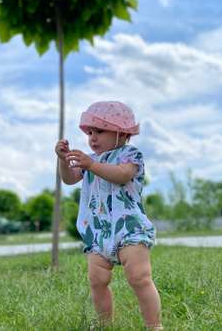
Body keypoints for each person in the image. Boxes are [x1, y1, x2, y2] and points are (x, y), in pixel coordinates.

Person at [55, 101, 163, 330]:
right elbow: (69, 179)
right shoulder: (92, 160)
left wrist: (91, 164)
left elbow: (122, 175)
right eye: (90, 132)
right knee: (97, 280)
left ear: (122, 132)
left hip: (129, 228)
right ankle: (105, 325)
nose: (92, 138)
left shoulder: (130, 154)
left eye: (99, 131)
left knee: (139, 277)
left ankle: (154, 326)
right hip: (99, 232)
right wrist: (63, 161)